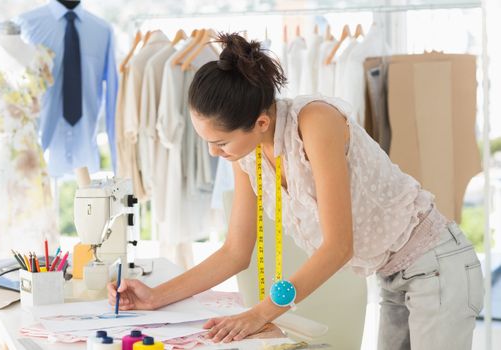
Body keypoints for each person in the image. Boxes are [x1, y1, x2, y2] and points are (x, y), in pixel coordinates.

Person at [108, 33, 484, 349]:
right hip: (391, 276)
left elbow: (338, 248)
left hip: (436, 267)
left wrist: (261, 313)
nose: (213, 152)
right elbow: (235, 252)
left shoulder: (315, 123)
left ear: (260, 122)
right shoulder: (248, 155)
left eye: (220, 142)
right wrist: (157, 296)